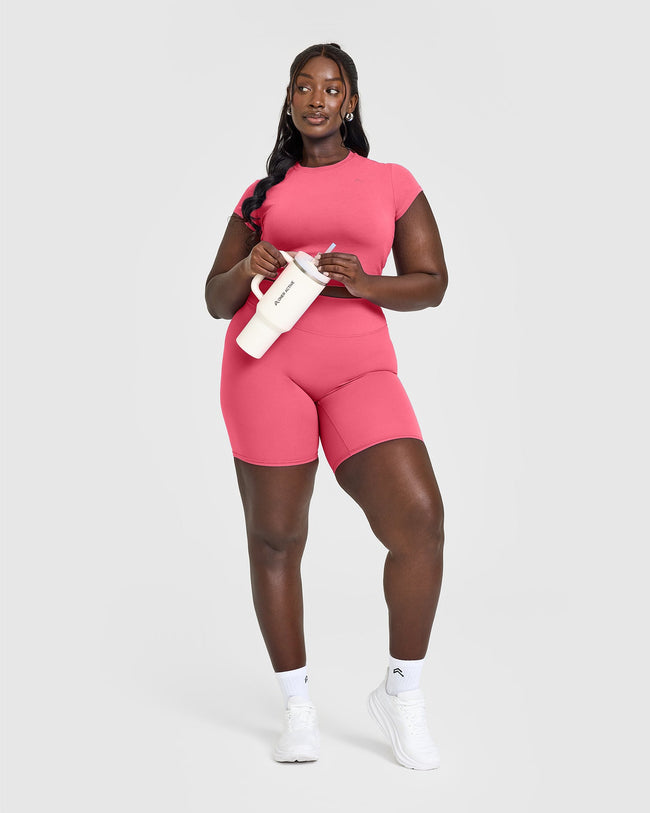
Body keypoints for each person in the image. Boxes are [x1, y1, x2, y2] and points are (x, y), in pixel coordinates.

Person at [205, 42, 448, 770]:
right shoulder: (261, 194)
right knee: (277, 538)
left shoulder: (391, 181)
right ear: (289, 100)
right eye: (303, 87)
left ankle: (401, 693)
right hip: (265, 366)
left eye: (331, 88)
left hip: (358, 368)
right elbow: (214, 298)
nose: (317, 99)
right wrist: (247, 265)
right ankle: (297, 708)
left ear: (350, 102)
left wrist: (364, 282)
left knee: (420, 520)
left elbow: (432, 282)